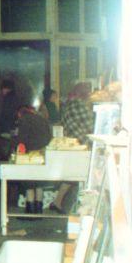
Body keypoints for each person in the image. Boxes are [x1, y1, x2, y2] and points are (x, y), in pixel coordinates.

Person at [52, 82, 94, 213]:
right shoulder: (80, 105)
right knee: (82, 175)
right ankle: (82, 208)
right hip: (82, 145)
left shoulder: (68, 105)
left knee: (73, 175)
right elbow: (90, 126)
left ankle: (58, 201)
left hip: (72, 144)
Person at [13, 105, 53, 214]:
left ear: (20, 113)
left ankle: (30, 210)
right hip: (41, 152)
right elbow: (49, 137)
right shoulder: (41, 119)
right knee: (39, 181)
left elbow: (22, 138)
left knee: (29, 181)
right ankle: (39, 209)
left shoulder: (24, 120)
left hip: (30, 153)